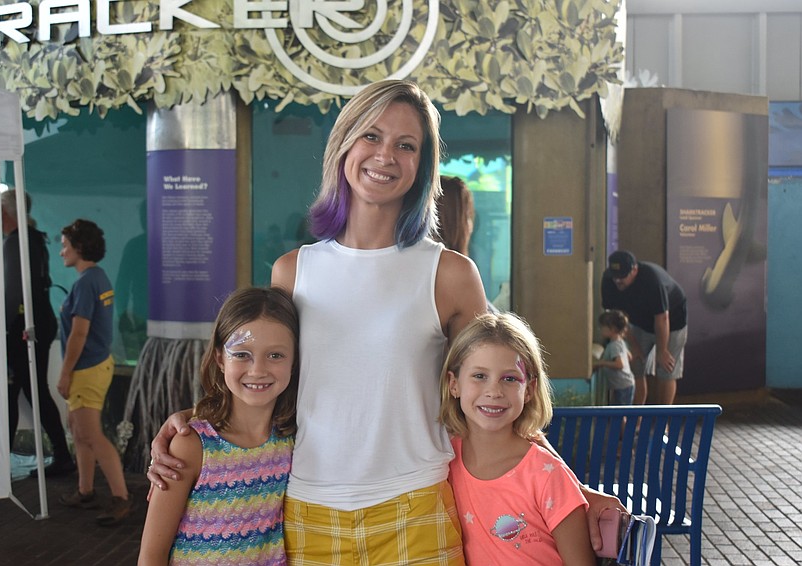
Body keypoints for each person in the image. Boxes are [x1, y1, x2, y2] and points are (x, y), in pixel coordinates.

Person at [148, 79, 624, 562]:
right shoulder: (292, 271)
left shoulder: (450, 274)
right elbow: (264, 384)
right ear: (343, 145)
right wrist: (192, 422)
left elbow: (493, 394)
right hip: (310, 511)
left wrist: (570, 487)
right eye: (371, 136)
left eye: (406, 145)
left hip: (418, 506)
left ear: (423, 166)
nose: (385, 156)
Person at [138, 287, 298, 565]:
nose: (257, 370)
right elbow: (152, 555)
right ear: (220, 359)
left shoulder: (292, 439)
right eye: (242, 354)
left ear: (295, 361)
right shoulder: (191, 445)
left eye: (275, 356)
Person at [440, 312, 595, 565]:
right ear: (453, 384)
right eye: (479, 376)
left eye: (510, 378)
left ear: (529, 390)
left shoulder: (548, 476)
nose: (494, 391)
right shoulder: (443, 462)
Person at [57, 219, 132, 525]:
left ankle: (121, 498)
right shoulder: (98, 277)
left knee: (91, 435)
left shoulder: (86, 283)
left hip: (86, 369)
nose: (62, 251)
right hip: (95, 365)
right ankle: (85, 490)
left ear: (79, 247)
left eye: (65, 246)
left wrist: (65, 373)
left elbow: (79, 333)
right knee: (79, 431)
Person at [1, 190, 75, 477]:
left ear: (6, 213)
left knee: (18, 392)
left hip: (24, 329)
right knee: (32, 391)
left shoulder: (16, 242)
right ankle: (61, 455)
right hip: (38, 323)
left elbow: (14, 292)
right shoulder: (34, 239)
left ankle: (3, 461)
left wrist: (7, 328)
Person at [601, 250, 688, 405]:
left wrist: (662, 350)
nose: (618, 281)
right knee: (635, 364)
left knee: (666, 369)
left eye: (622, 276)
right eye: (615, 276)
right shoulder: (608, 281)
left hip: (672, 321)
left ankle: (662, 416)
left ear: (634, 270)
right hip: (639, 322)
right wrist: (634, 346)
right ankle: (636, 415)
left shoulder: (652, 280)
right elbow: (618, 319)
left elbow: (662, 318)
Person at [435, 175, 499, 314]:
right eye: (468, 216)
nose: (471, 227)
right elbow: (482, 321)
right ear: (456, 220)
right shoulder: (458, 270)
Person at [593, 309, 635, 405]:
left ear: (612, 329)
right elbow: (629, 357)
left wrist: (602, 363)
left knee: (620, 411)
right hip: (625, 384)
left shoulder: (614, 345)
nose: (600, 329)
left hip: (622, 386)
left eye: (602, 327)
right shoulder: (620, 341)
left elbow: (619, 365)